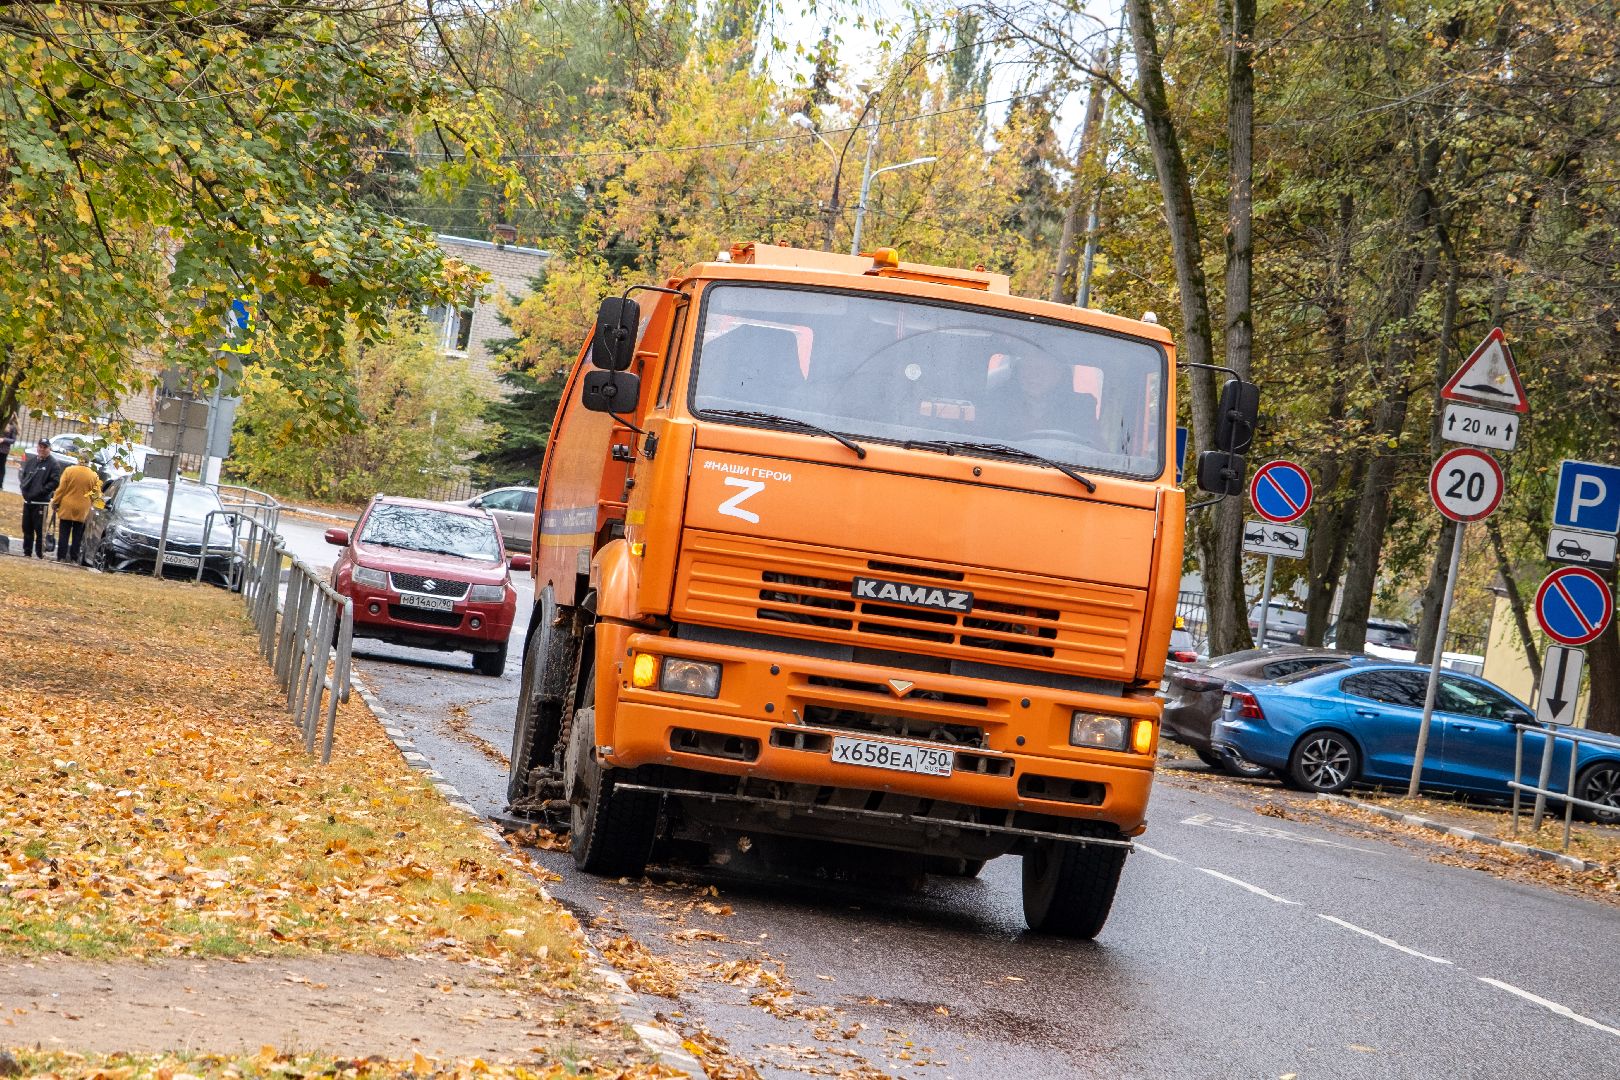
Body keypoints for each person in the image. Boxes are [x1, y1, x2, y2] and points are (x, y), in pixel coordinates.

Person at [51, 455, 102, 564]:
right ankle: (74, 558)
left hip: (67, 506)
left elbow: (61, 489)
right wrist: (90, 503)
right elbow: (96, 495)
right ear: (89, 461)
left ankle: (61, 557)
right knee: (77, 535)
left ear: (79, 459)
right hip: (82, 508)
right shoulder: (93, 475)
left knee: (64, 533)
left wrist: (55, 502)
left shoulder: (69, 471)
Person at [19, 439, 63, 558]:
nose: (42, 449)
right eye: (40, 447)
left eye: (45, 447)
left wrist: (41, 491)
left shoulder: (53, 464)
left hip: (40, 503)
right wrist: (24, 489)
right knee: (27, 527)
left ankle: (39, 553)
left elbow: (55, 482)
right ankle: (27, 552)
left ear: (49, 449)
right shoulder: (32, 461)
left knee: (39, 530)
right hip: (28, 501)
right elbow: (24, 476)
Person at [0, 419, 15, 488]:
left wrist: (3, 440)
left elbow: (13, 440)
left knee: (1, 467)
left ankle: (0, 484)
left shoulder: (12, 427)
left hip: (3, 451)